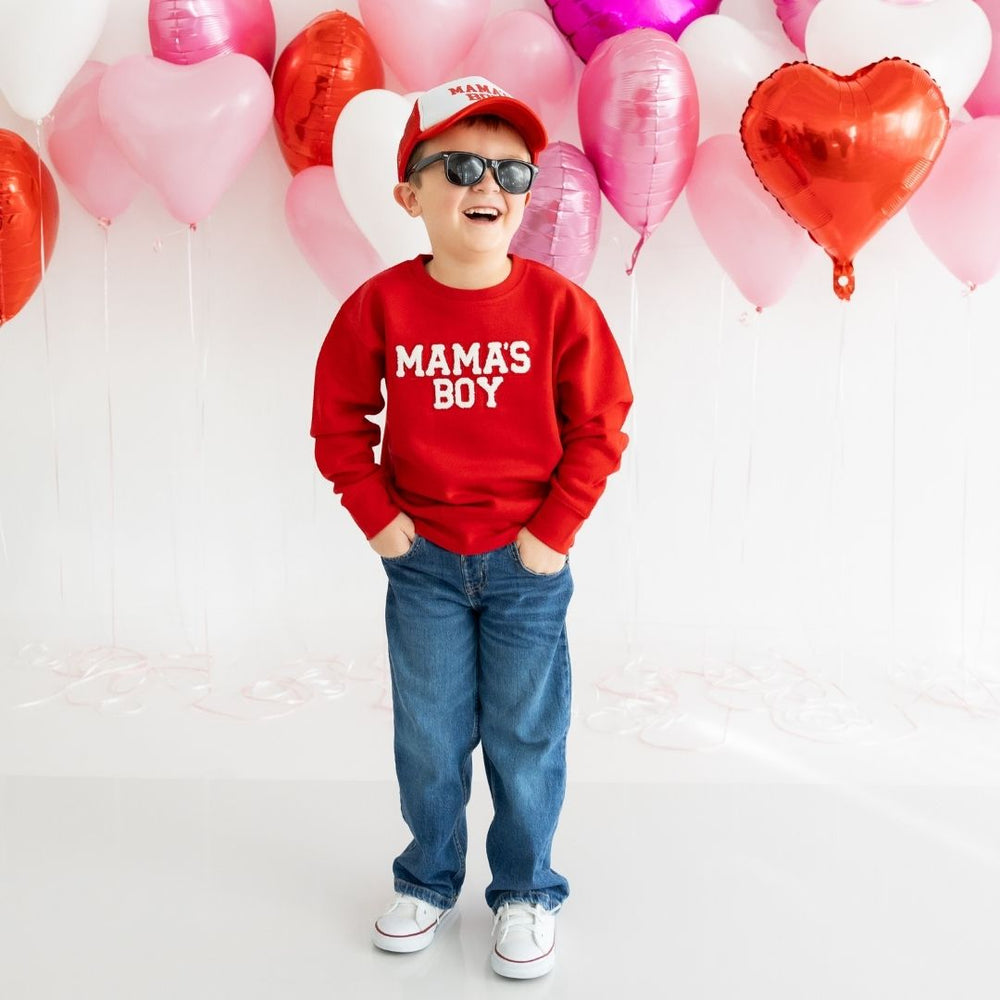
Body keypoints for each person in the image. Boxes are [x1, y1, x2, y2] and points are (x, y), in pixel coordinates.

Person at [310, 76, 632, 980]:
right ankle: (427, 878)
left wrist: (552, 534)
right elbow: (338, 422)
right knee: (430, 733)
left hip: (528, 568)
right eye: (459, 167)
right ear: (409, 194)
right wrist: (381, 523)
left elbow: (602, 425)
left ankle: (526, 891)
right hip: (424, 566)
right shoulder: (379, 306)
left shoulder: (561, 309)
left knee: (527, 735)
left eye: (511, 171)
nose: (488, 184)